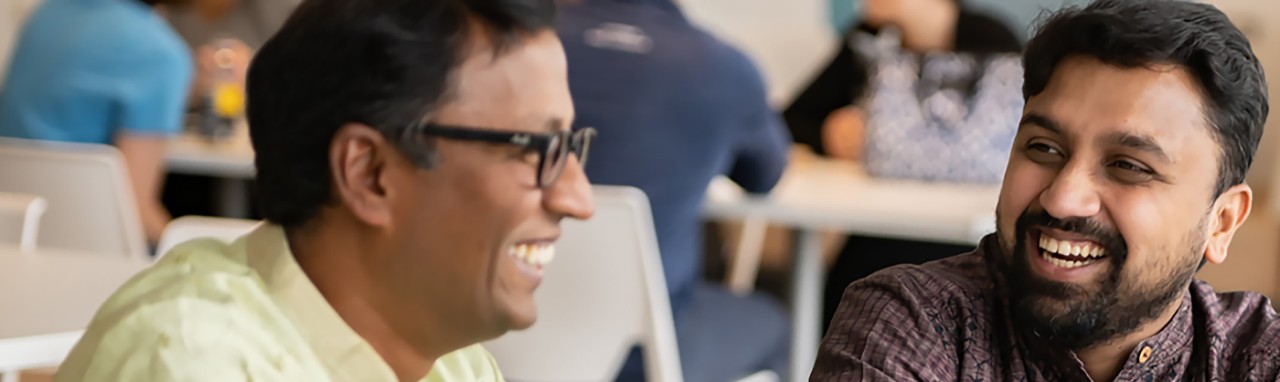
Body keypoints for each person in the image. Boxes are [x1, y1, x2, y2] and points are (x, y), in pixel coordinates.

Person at [55, 0, 594, 380]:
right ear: (369, 174)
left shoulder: (457, 365)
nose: (579, 198)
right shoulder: (193, 361)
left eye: (571, 147)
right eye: (534, 147)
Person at [813, 0, 1277, 380]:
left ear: (1222, 222)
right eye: (1044, 148)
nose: (1061, 197)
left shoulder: (1257, 358)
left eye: (1128, 166)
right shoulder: (912, 329)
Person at [556, 0, 792, 380]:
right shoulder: (723, 68)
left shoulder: (524, 48)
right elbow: (763, 177)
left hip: (508, 326)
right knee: (775, 323)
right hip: (648, 348)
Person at [783, 0, 1026, 331]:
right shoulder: (870, 37)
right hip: (879, 222)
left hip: (961, 231)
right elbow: (793, 118)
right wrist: (829, 134)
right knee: (847, 298)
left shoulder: (993, 39)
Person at [0, 0, 217, 244]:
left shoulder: (47, 13)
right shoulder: (158, 52)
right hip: (99, 250)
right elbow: (136, 214)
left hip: (15, 239)